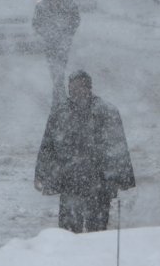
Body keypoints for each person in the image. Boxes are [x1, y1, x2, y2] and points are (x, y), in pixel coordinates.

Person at [34, 70, 135, 233]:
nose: (76, 91)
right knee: (68, 232)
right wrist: (41, 174)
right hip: (70, 182)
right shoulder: (60, 113)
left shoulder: (106, 111)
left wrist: (122, 178)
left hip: (99, 183)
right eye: (72, 87)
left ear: (89, 87)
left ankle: (96, 257)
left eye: (80, 87)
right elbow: (48, 145)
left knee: (97, 231)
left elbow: (119, 147)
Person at [32, 0, 81, 107]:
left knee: (61, 65)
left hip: (64, 41)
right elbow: (36, 23)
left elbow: (76, 20)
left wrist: (68, 32)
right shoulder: (42, 7)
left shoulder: (70, 6)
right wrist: (46, 33)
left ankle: (58, 89)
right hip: (50, 42)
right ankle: (58, 89)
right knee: (54, 66)